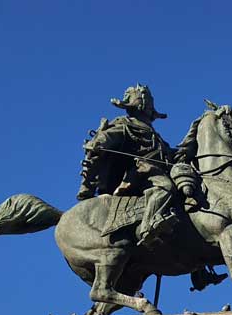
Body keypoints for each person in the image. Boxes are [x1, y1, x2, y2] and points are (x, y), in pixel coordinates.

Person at [77, 84, 182, 247]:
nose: (149, 108)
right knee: (165, 187)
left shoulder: (155, 135)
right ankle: (149, 226)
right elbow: (108, 137)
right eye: (147, 104)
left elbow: (168, 153)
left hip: (158, 171)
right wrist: (99, 143)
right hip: (141, 173)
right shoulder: (125, 124)